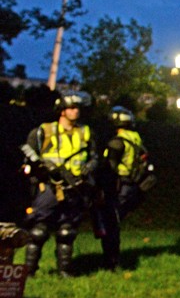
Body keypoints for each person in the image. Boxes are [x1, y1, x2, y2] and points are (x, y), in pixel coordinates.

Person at [20, 91, 98, 277]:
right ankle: (28, 271)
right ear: (62, 111)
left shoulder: (86, 132)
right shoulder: (44, 131)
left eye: (77, 108)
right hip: (49, 187)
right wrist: (43, 168)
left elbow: (94, 155)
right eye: (71, 108)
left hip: (76, 187)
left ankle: (64, 270)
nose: (75, 111)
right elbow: (27, 155)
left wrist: (90, 167)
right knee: (39, 230)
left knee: (67, 231)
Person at [93, 106, 153, 271]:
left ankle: (110, 262)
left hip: (119, 185)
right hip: (133, 187)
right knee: (114, 223)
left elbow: (109, 168)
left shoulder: (117, 142)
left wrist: (101, 187)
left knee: (110, 223)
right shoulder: (135, 139)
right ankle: (112, 259)